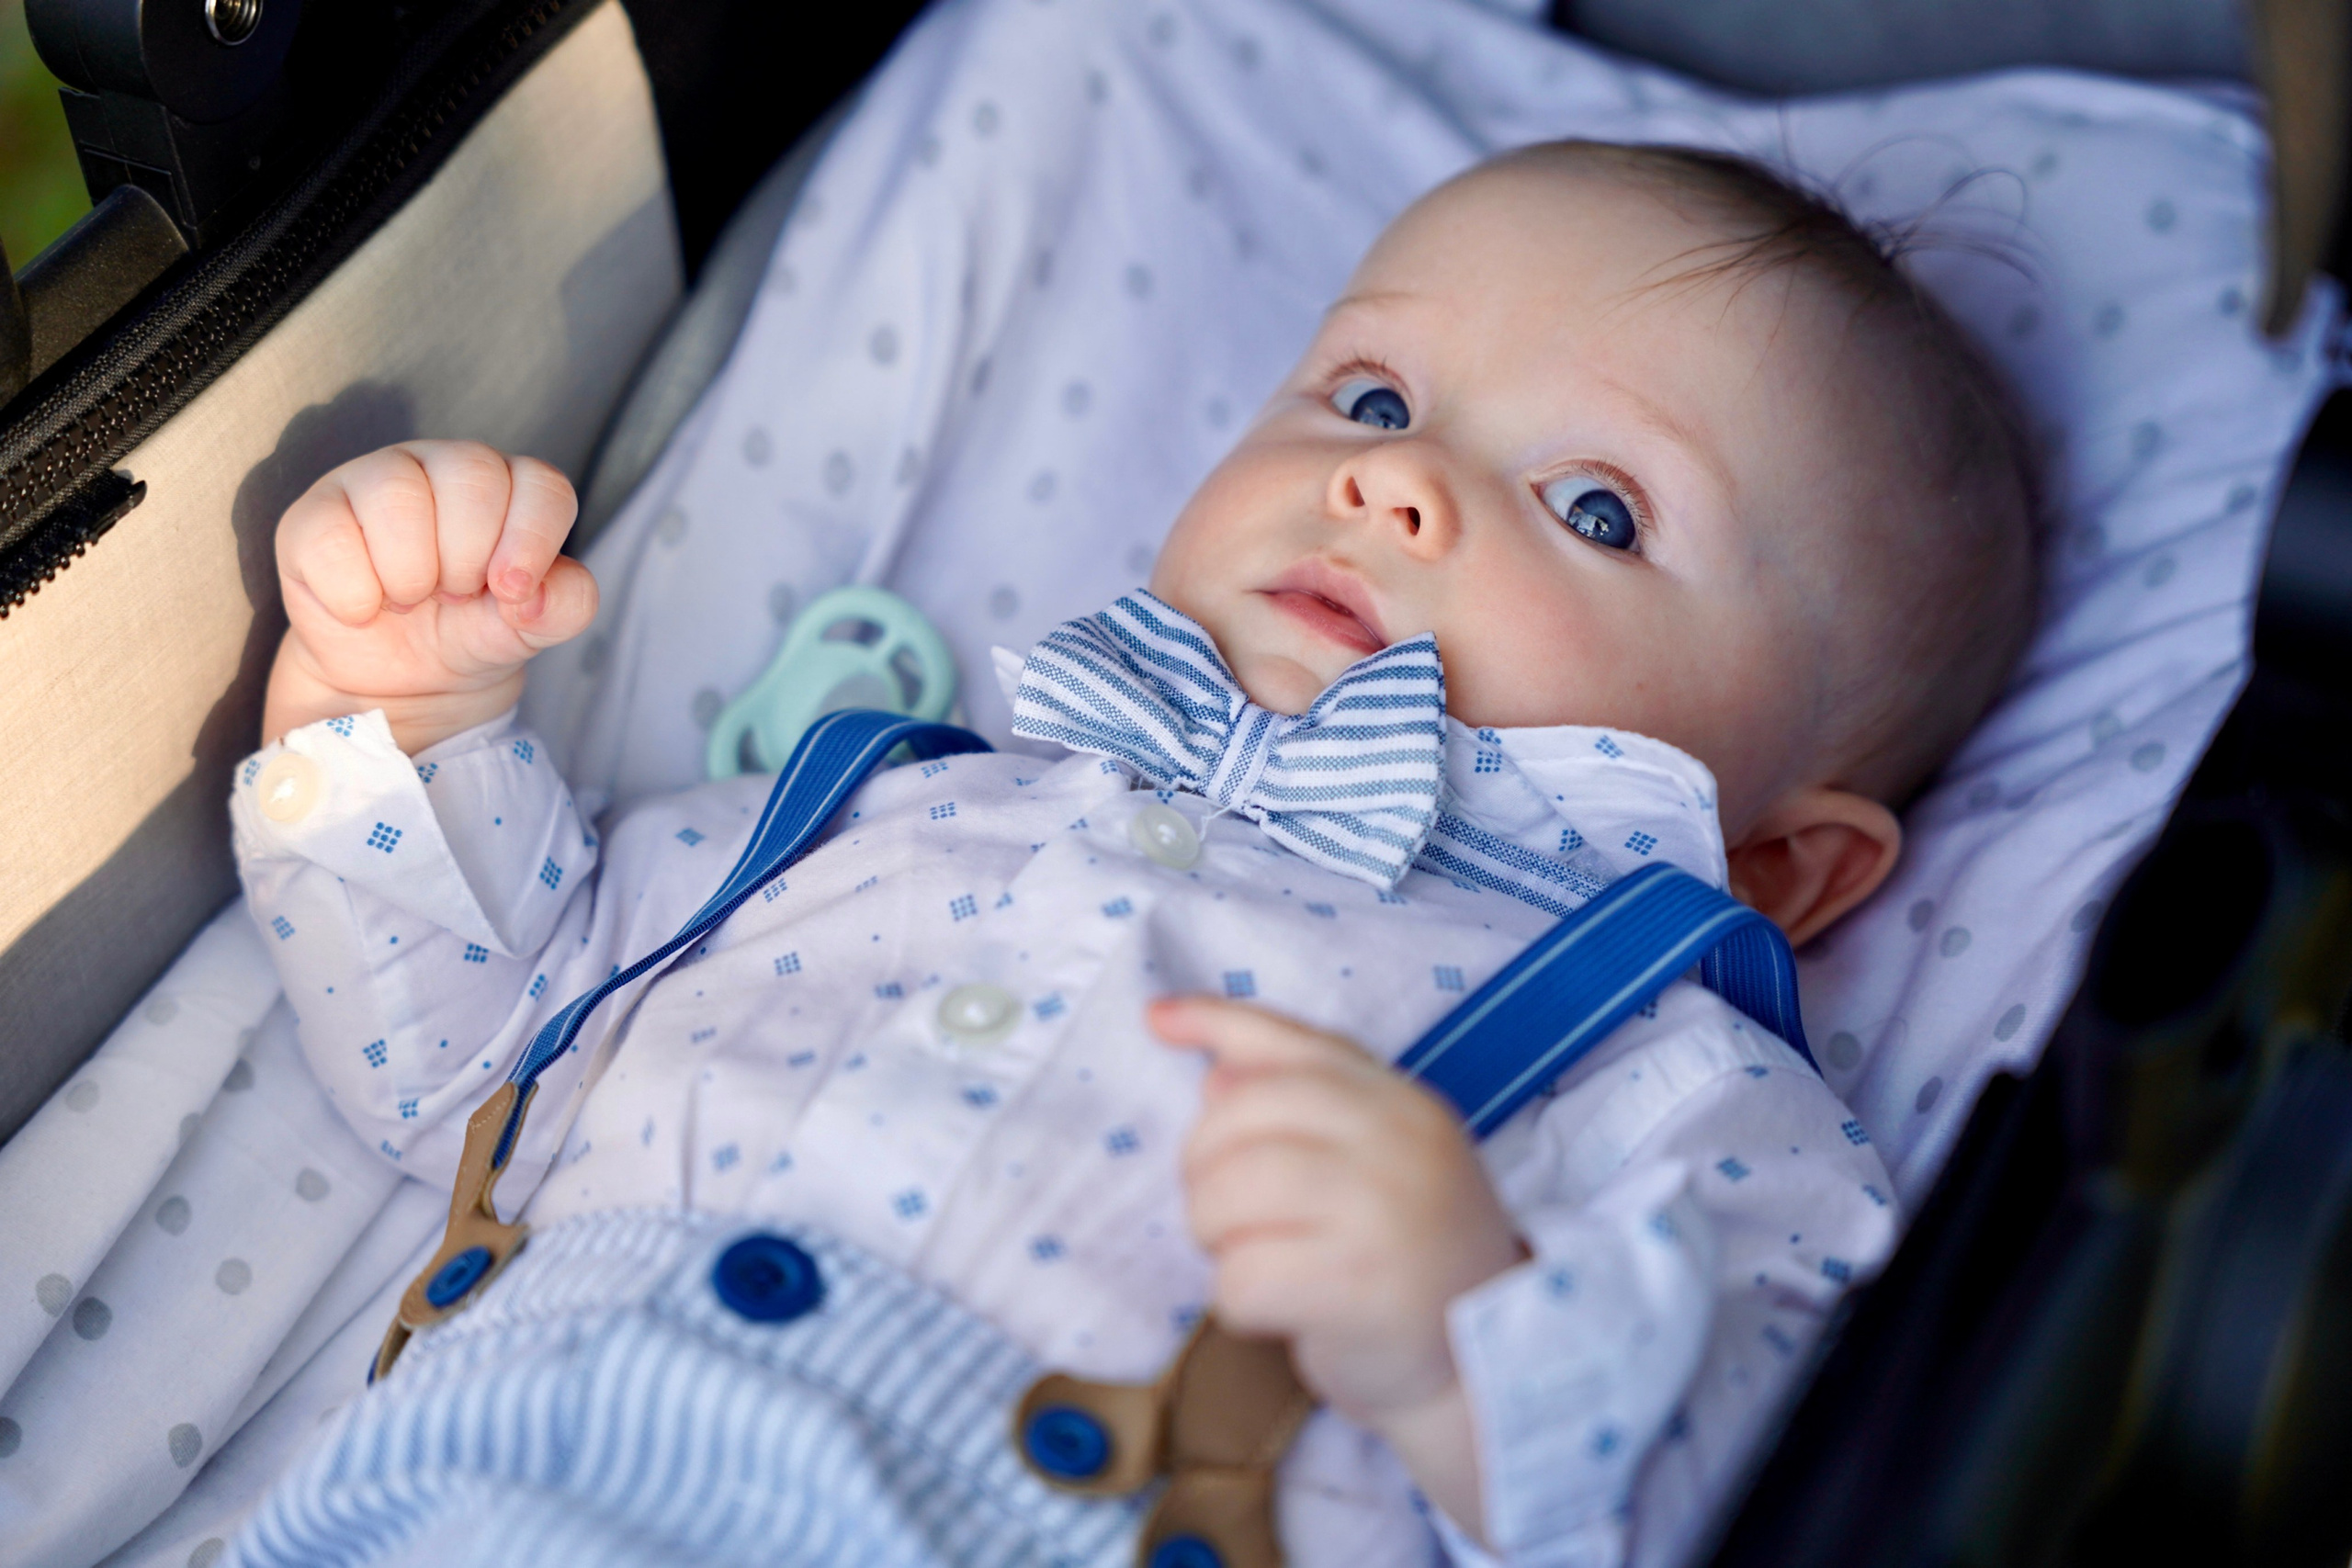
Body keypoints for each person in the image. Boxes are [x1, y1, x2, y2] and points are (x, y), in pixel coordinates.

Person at [227, 141, 2034, 1568]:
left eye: (1595, 508)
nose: (1388, 488)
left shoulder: (1676, 1073)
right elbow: (480, 1029)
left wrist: (1470, 1327)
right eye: (1371, 397)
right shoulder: (883, 806)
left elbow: (1795, 1473)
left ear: (1782, 866)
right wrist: (399, 706)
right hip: (447, 1493)